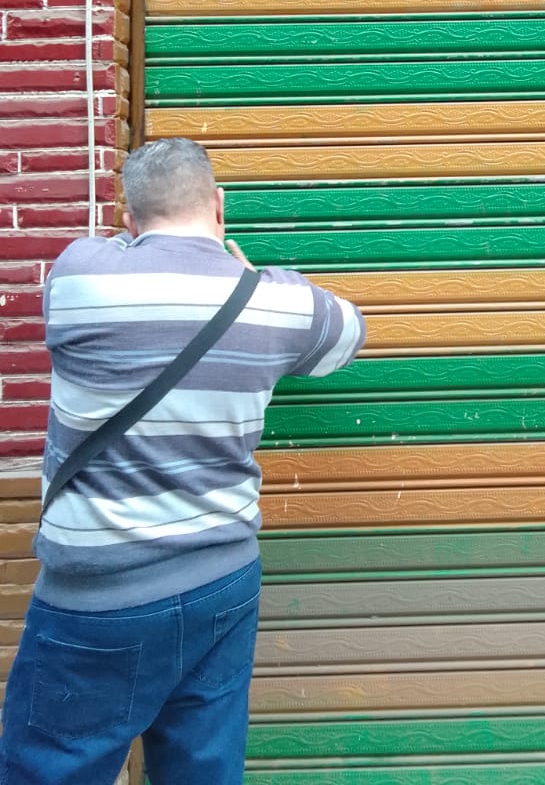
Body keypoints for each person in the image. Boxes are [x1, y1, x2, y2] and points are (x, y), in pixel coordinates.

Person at [0, 138, 365, 785]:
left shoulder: (78, 275)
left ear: (130, 218)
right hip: (221, 586)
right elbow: (349, 333)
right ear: (220, 205)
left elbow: (120, 255)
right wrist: (256, 276)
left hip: (97, 601)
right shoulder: (273, 302)